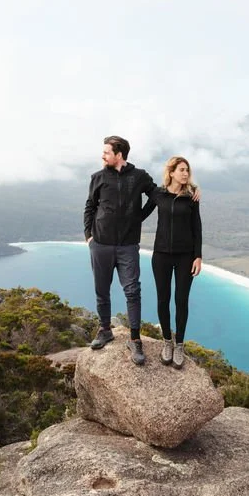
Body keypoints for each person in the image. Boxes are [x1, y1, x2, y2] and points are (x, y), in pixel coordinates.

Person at [82, 136, 158, 365]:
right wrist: (89, 236)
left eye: (106, 152)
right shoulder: (98, 177)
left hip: (128, 245)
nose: (102, 155)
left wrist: (139, 218)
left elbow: (155, 195)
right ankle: (105, 330)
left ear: (119, 154)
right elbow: (90, 206)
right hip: (101, 245)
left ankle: (135, 340)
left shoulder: (139, 176)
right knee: (101, 290)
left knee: (132, 291)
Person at [140, 156, 202, 369]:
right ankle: (167, 341)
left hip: (185, 256)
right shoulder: (158, 194)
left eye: (187, 170)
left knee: (181, 301)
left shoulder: (192, 196)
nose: (185, 173)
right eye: (182, 170)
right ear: (172, 172)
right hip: (161, 255)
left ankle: (180, 345)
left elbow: (197, 227)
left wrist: (198, 256)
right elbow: (140, 215)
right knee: (163, 299)